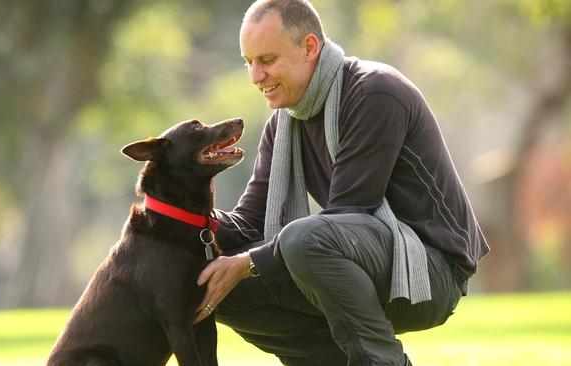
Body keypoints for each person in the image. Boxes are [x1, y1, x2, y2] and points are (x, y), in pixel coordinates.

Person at [193, 0, 489, 365]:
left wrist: (246, 263)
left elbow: (348, 214)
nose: (255, 76)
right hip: (355, 258)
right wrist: (179, 221)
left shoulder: (374, 93)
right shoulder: (284, 122)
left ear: (309, 48)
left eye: (267, 60)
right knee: (212, 281)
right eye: (248, 62)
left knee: (303, 240)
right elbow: (251, 222)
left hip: (432, 271)